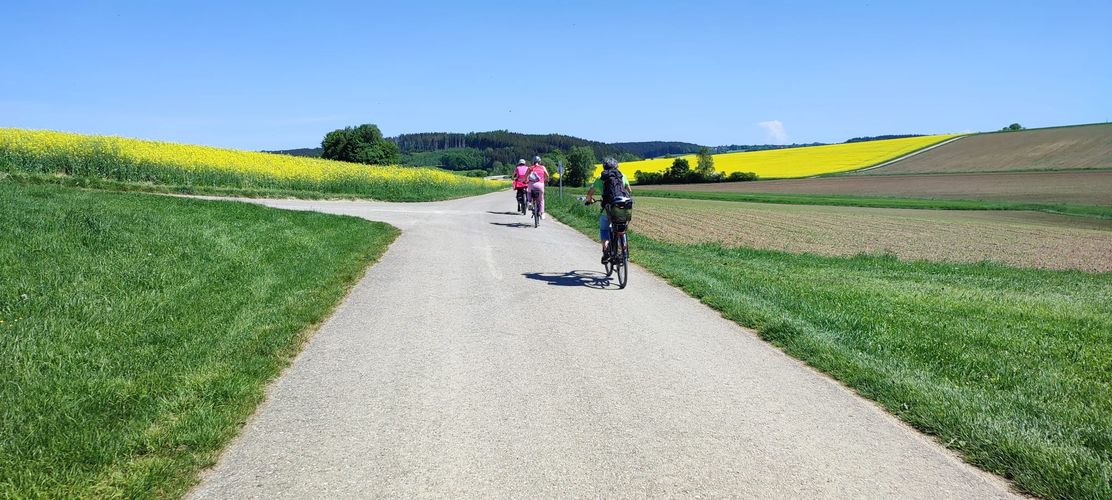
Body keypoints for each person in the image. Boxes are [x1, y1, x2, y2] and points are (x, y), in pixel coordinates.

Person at [585, 156, 632, 264]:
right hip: (621, 208)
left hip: (608, 208)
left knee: (604, 230)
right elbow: (629, 190)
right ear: (616, 166)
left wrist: (590, 200)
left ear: (604, 167)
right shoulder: (622, 175)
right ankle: (623, 249)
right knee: (621, 227)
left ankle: (606, 248)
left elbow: (589, 194)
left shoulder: (600, 178)